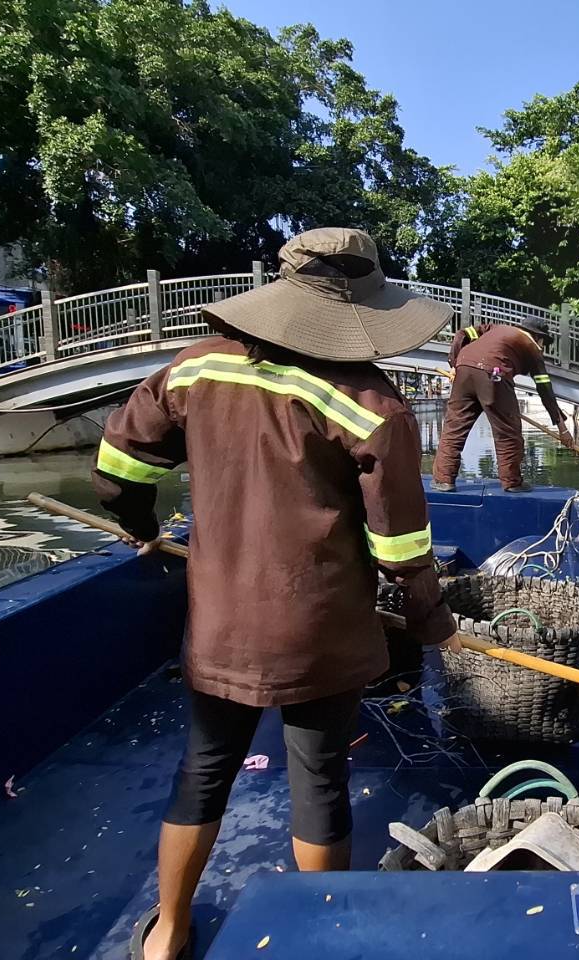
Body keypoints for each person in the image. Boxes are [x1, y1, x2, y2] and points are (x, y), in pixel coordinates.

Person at [92, 228, 458, 960]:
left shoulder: (194, 370)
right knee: (319, 778)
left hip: (220, 623)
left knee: (204, 768)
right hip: (321, 627)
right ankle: (318, 935)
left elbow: (118, 468)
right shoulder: (372, 404)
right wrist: (430, 618)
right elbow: (399, 546)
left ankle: (167, 932)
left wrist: (141, 526)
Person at [430, 316, 573, 492]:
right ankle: (512, 482)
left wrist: (454, 363)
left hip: (464, 369)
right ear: (538, 337)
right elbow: (545, 390)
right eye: (544, 343)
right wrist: (562, 428)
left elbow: (463, 333)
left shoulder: (495, 328)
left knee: (454, 428)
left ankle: (443, 480)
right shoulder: (532, 347)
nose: (543, 348)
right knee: (508, 432)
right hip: (494, 376)